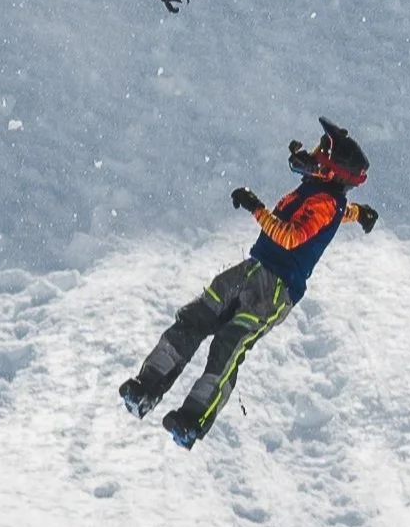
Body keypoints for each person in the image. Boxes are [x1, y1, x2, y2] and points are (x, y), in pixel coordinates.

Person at [119, 120, 379, 447]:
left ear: (333, 171)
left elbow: (290, 236)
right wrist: (361, 213)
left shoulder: (325, 203)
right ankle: (148, 384)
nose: (312, 155)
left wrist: (255, 207)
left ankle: (193, 419)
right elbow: (338, 214)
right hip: (252, 268)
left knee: (228, 344)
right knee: (197, 316)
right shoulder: (324, 197)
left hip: (275, 290)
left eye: (320, 153)